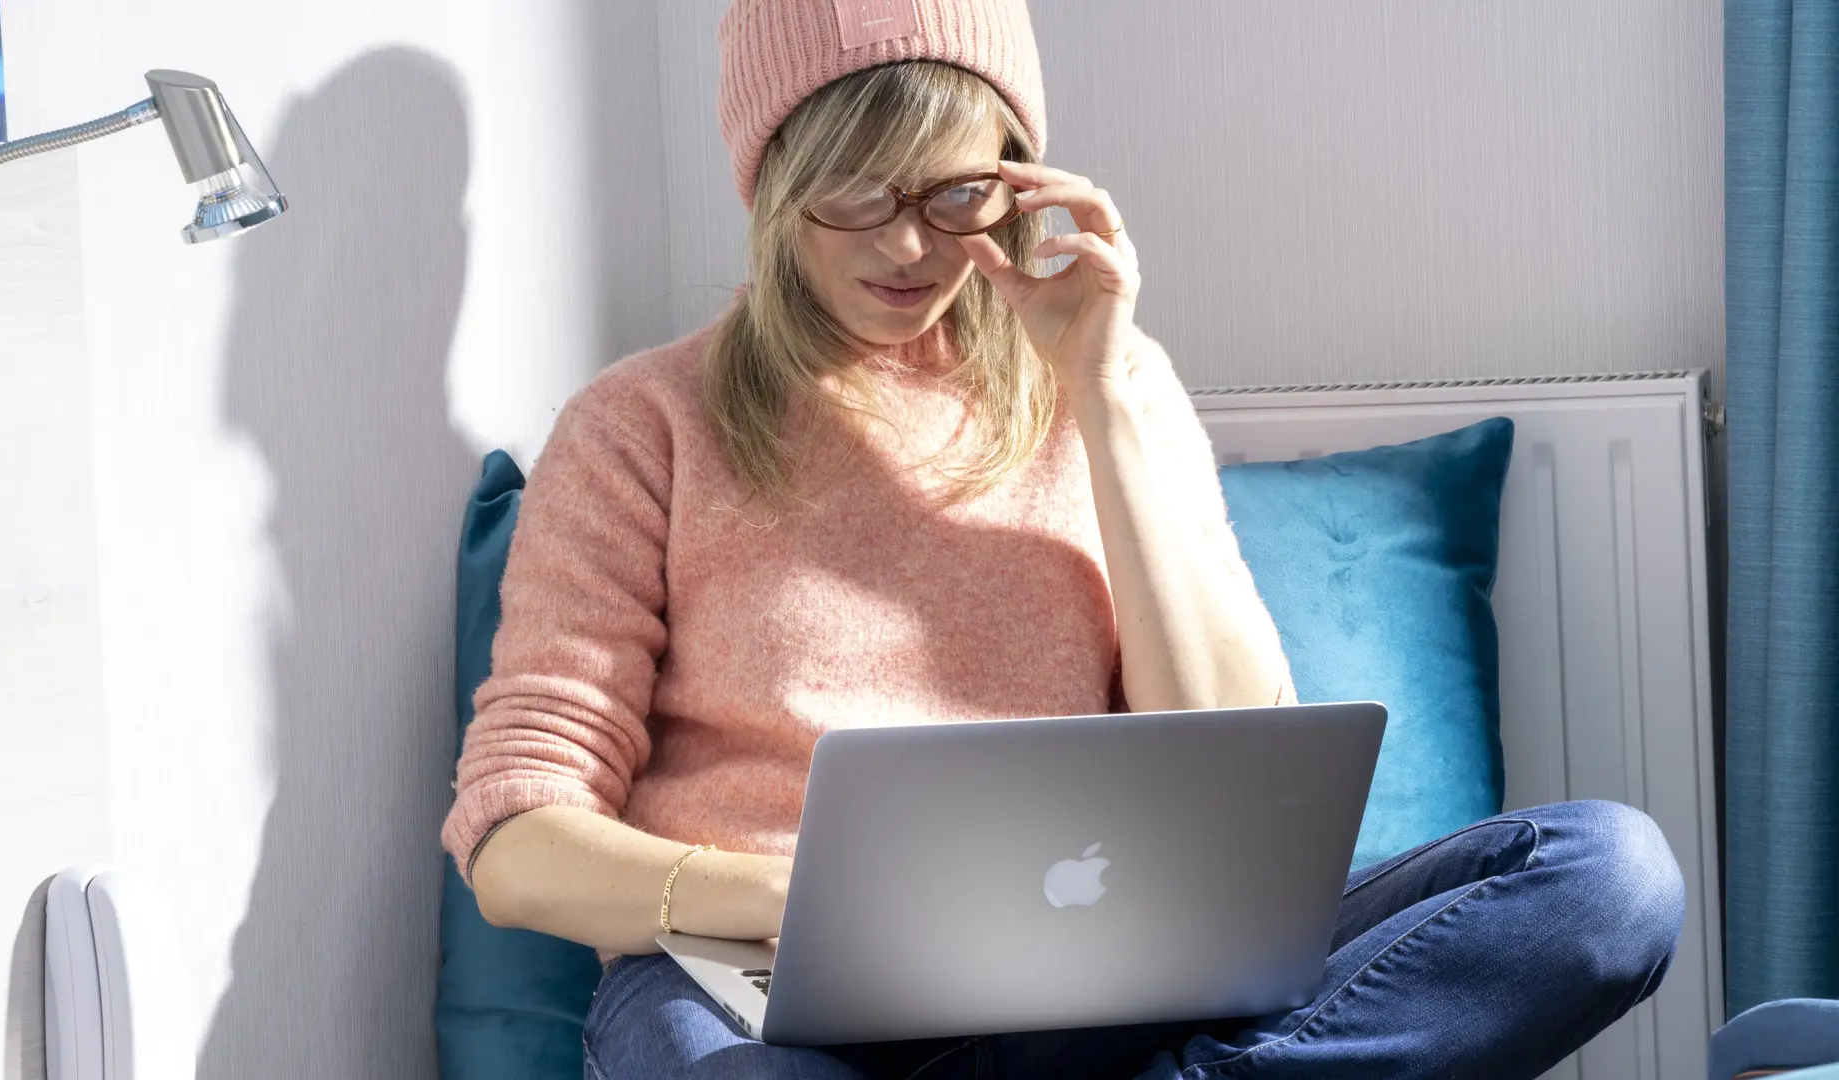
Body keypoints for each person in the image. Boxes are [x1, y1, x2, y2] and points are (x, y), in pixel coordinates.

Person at [441, 1, 1687, 1076]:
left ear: (1022, 173)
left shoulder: (1107, 393)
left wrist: (1103, 389)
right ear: (771, 184)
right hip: (751, 992)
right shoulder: (641, 424)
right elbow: (515, 841)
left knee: (1603, 882)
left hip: (1089, 992)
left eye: (956, 189)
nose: (911, 243)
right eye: (858, 192)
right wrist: (786, 901)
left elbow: (1238, 767)